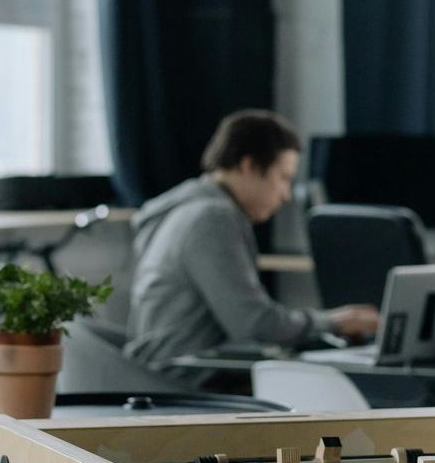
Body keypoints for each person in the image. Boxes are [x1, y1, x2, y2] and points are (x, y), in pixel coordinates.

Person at [126, 110, 378, 367]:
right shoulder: (212, 218)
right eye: (284, 178)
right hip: (188, 382)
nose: (286, 195)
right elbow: (255, 325)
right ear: (247, 166)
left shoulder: (184, 208)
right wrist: (337, 321)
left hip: (167, 371)